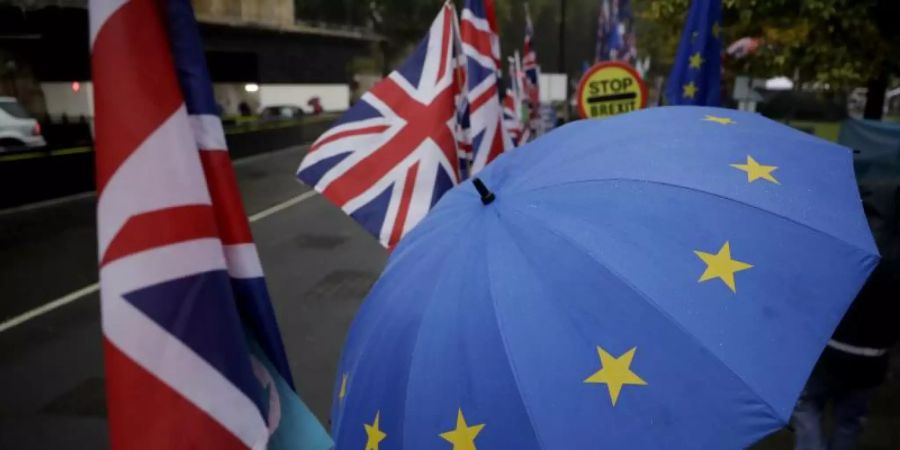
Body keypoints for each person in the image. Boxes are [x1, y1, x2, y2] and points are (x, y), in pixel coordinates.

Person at [792, 182, 900, 450]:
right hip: (873, 361)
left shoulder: (847, 246)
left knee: (807, 406)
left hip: (829, 353)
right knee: (849, 420)